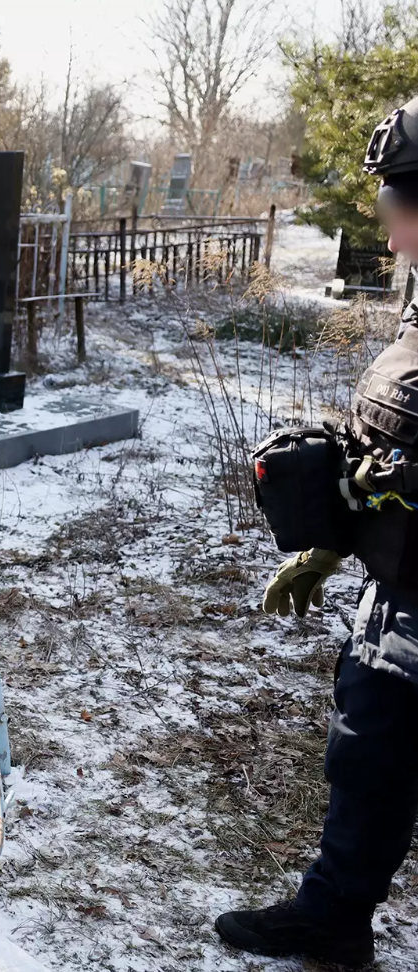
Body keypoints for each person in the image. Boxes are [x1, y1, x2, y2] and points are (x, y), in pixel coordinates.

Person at [216, 95, 418, 968]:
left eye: (394, 204)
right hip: (398, 593)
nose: (389, 236)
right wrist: (338, 527)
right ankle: (333, 917)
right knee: (367, 756)